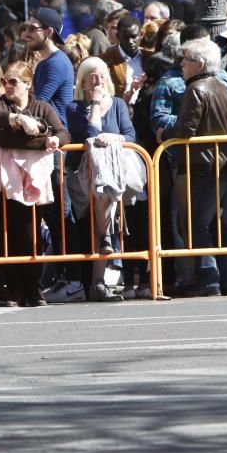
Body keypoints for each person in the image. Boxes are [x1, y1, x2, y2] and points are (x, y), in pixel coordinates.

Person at [0, 61, 68, 307]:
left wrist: (51, 140)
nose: (7, 86)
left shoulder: (42, 107)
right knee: (4, 234)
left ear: (28, 84)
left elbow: (63, 133)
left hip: (31, 179)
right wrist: (18, 121)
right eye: (5, 81)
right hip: (0, 178)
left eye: (13, 81)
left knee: (30, 236)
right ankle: (10, 289)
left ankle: (33, 288)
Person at [160, 38, 227, 296]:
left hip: (203, 165)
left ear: (200, 64)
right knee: (221, 223)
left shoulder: (196, 89)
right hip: (222, 163)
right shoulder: (222, 87)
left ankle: (209, 280)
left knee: (196, 224)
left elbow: (185, 129)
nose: (182, 64)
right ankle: (226, 279)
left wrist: (164, 132)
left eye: (187, 60)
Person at [64, 56, 137, 302]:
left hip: (114, 179)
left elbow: (130, 135)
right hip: (83, 178)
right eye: (92, 77)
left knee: (103, 196)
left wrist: (114, 139)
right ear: (83, 83)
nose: (98, 80)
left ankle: (99, 280)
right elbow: (90, 135)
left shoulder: (117, 104)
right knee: (101, 194)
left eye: (102, 75)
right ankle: (98, 277)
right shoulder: (74, 108)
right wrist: (95, 104)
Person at [100, 15, 149, 104]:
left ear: (141, 34)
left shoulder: (149, 58)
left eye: (133, 36)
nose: (130, 41)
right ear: (118, 36)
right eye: (126, 37)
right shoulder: (105, 60)